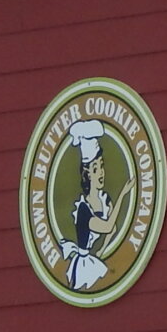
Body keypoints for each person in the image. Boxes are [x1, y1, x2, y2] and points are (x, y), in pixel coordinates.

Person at [61, 120, 117, 292]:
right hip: (84, 264)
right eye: (95, 169)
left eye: (101, 166)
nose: (100, 172)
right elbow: (107, 227)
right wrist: (123, 194)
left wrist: (101, 251)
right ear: (86, 173)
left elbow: (113, 229)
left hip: (94, 259)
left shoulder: (104, 199)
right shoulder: (84, 209)